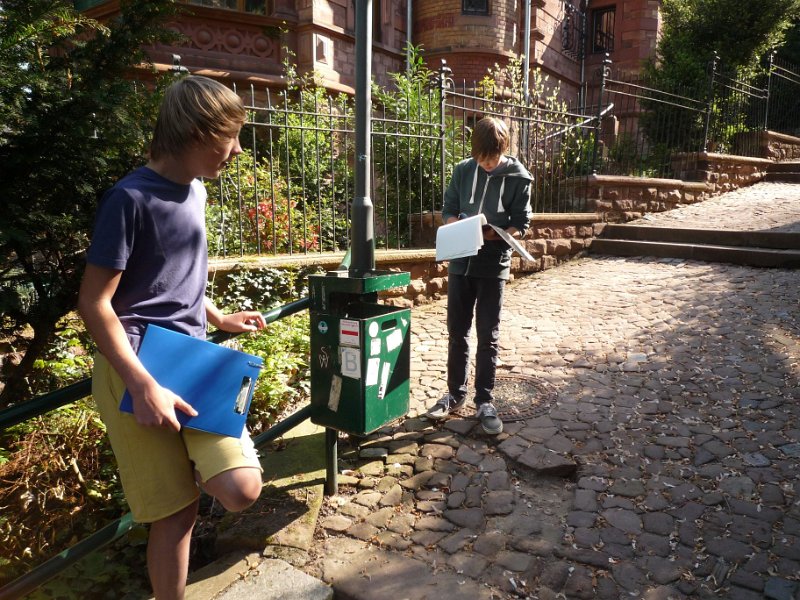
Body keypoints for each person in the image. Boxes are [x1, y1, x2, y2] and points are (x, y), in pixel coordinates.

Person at [78, 75, 267, 600]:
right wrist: (141, 386)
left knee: (240, 487)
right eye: (227, 136)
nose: (235, 150)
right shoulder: (128, 199)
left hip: (191, 361)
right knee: (176, 514)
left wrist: (218, 315)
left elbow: (174, 275)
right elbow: (93, 304)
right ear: (193, 131)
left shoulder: (196, 191)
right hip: (132, 371)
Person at [425, 116, 532, 435]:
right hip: (461, 262)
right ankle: (455, 395)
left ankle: (484, 400)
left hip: (492, 265)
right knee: (457, 332)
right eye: (481, 158)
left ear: (503, 150)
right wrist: (455, 223)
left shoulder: (519, 178)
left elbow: (521, 223)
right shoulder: (462, 170)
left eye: (493, 158)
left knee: (489, 335)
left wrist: (497, 234)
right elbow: (448, 209)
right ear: (474, 152)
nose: (486, 165)